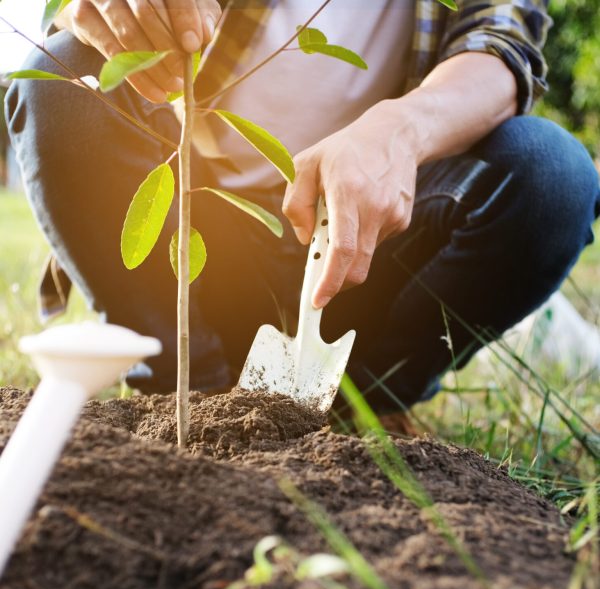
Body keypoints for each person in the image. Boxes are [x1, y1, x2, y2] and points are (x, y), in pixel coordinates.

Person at [5, 0, 600, 418]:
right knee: (58, 75)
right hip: (204, 254)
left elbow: (501, 47)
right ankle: (187, 396)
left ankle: (363, 411)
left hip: (370, 252)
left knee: (553, 175)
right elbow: (71, 20)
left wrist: (400, 129)